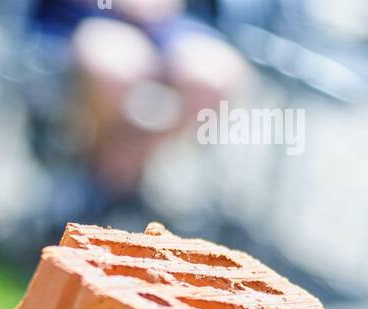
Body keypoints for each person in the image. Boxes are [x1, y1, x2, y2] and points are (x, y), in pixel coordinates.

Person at [31, 0, 252, 197]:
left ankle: (121, 178)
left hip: (169, 23)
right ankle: (98, 178)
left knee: (211, 78)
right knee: (117, 71)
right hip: (86, 14)